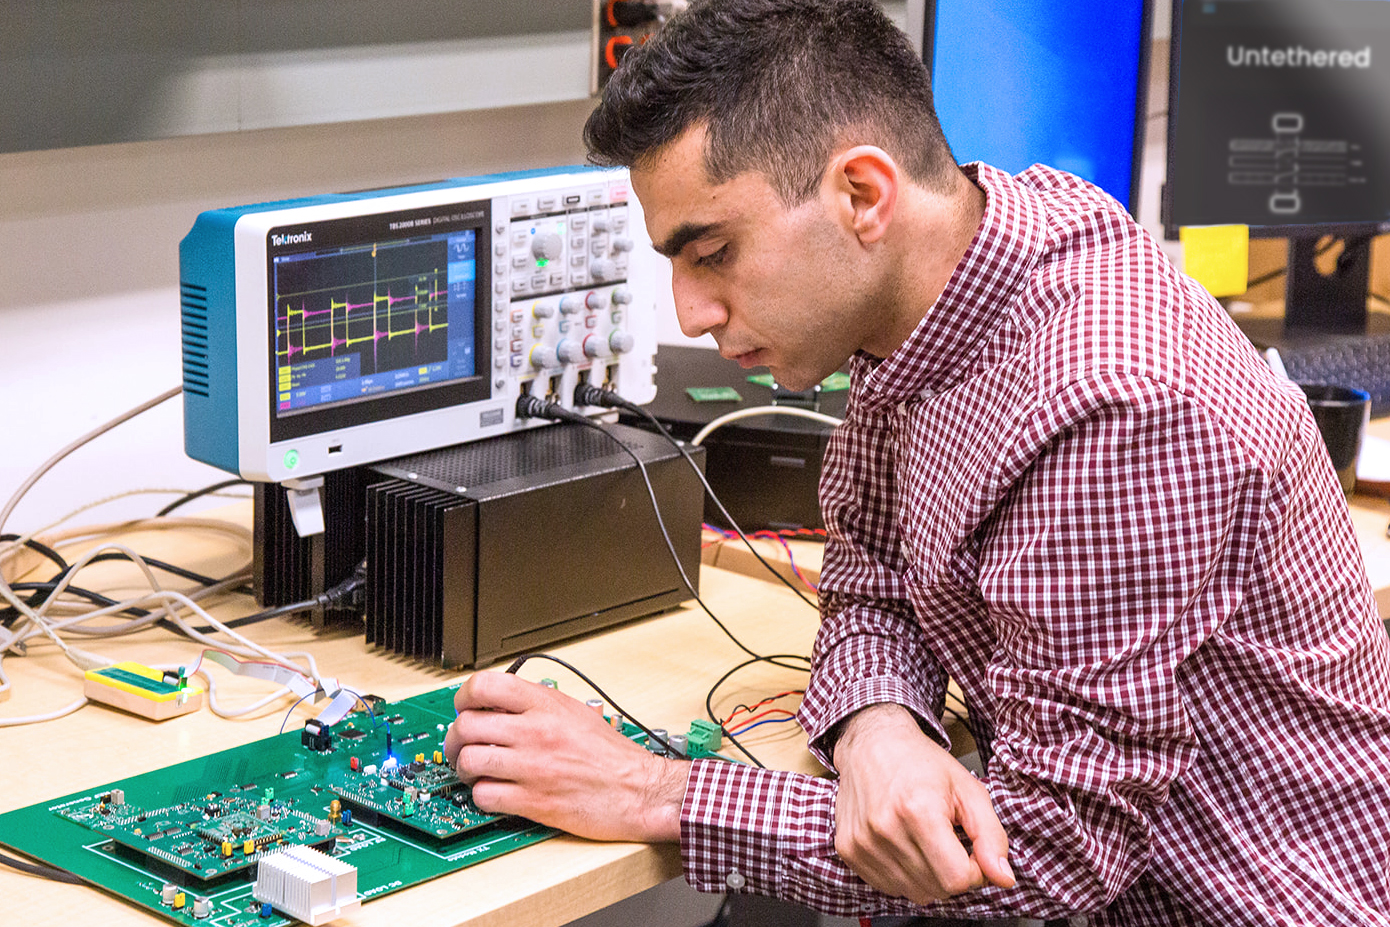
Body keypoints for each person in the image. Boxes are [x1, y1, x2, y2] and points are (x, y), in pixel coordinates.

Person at [443, 0, 1390, 922]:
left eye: (714, 253)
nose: (690, 312)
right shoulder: (954, 269)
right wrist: (880, 727)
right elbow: (871, 570)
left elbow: (1043, 856)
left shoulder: (1112, 402)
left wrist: (653, 792)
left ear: (863, 194)